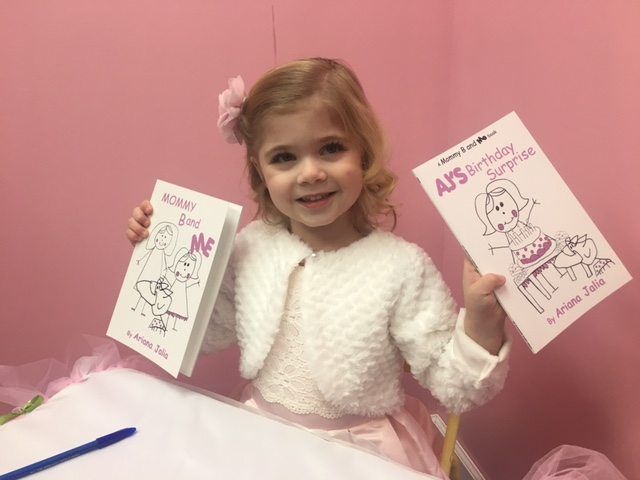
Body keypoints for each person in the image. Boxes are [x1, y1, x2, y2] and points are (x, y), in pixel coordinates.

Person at [126, 58, 510, 478]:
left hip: (359, 456)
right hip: (263, 439)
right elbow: (206, 333)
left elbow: (453, 384)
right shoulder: (251, 247)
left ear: (363, 152)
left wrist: (481, 325)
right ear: (260, 170)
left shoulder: (400, 266)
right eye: (285, 157)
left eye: (331, 148)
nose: (310, 173)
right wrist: (162, 256)